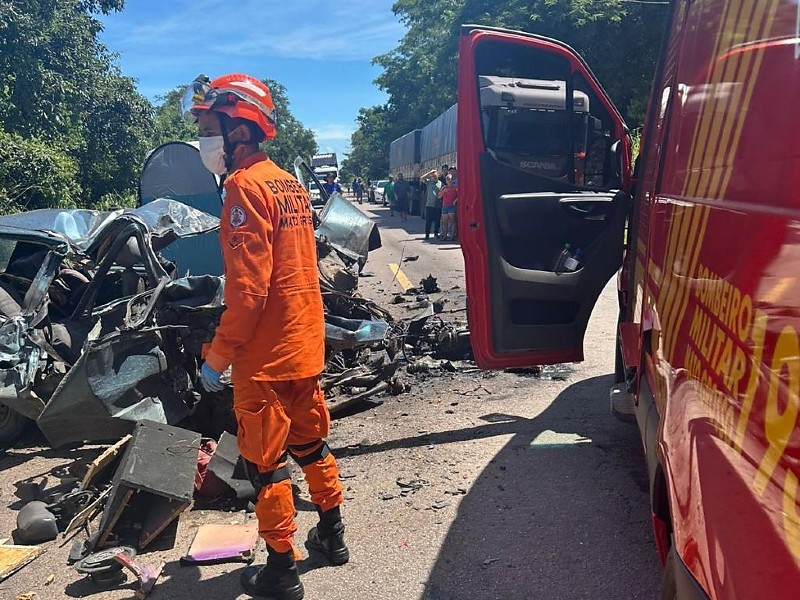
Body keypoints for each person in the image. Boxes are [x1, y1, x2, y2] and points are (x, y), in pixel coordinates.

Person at [186, 73, 347, 600]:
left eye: (208, 128)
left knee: (266, 465)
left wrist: (217, 357)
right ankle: (332, 534)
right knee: (312, 444)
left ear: (237, 129)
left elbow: (248, 292)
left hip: (266, 357)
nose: (204, 141)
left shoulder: (243, 187)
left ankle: (281, 569)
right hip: (304, 345)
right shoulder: (289, 184)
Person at [422, 170, 442, 239]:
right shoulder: (429, 183)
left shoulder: (441, 184)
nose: (434, 177)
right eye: (433, 176)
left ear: (438, 176)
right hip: (429, 204)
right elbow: (422, 178)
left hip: (437, 205)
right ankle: (427, 234)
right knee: (428, 220)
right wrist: (430, 172)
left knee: (437, 220)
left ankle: (436, 233)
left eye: (435, 176)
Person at [438, 172, 458, 241]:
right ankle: (444, 235)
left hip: (451, 206)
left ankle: (452, 236)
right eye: (447, 179)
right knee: (444, 222)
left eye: (450, 179)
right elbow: (439, 196)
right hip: (445, 206)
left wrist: (455, 200)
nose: (449, 181)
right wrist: (443, 192)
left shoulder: (455, 187)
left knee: (453, 221)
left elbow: (460, 195)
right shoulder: (444, 187)